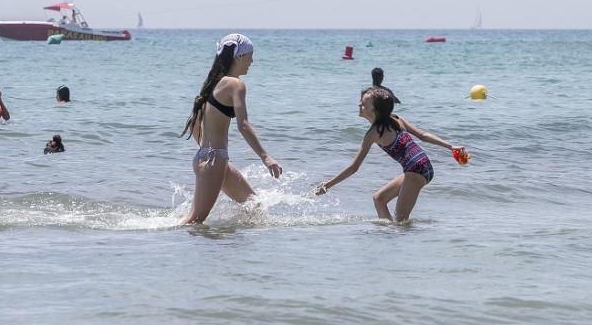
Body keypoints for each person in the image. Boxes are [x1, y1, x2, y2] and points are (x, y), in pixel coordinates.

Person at [316, 87, 465, 222]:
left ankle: (402, 246)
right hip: (421, 166)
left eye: (363, 104)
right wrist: (451, 147)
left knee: (401, 222)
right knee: (379, 199)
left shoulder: (375, 133)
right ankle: (388, 239)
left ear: (375, 110)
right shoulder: (395, 118)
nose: (359, 105)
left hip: (416, 170)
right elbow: (423, 135)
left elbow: (355, 167)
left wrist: (328, 185)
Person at [178, 33, 282, 225]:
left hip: (212, 158)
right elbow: (243, 125)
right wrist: (266, 158)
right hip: (214, 159)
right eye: (250, 54)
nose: (252, 60)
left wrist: (205, 150)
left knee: (255, 207)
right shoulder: (236, 85)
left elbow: (193, 123)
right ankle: (161, 243)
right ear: (240, 56)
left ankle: (235, 249)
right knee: (194, 220)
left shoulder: (212, 83)